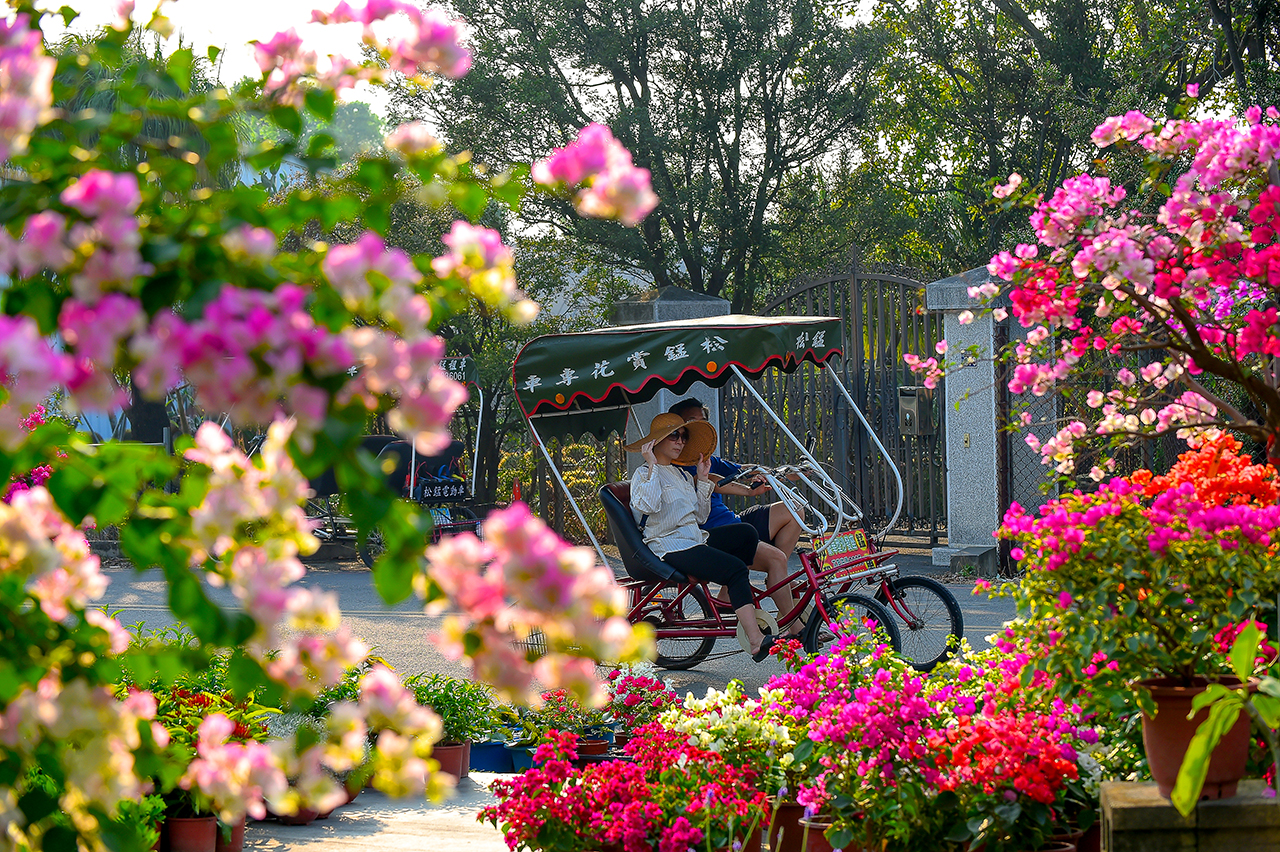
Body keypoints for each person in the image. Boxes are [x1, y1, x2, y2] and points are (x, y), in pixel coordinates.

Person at [625, 412, 777, 661]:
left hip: (694, 538)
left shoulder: (683, 475)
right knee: (736, 569)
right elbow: (648, 506)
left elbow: (700, 516)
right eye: (674, 435)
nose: (680, 441)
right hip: (668, 544)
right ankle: (755, 640)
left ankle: (733, 596)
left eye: (683, 436)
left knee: (746, 534)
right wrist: (651, 463)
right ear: (657, 442)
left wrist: (703, 479)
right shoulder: (643, 474)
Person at [668, 397, 803, 637]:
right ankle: (794, 626)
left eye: (703, 421)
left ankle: (777, 580)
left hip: (735, 523)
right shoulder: (674, 468)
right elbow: (715, 482)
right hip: (711, 535)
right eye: (691, 423)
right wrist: (746, 489)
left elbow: (740, 469)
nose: (699, 427)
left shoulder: (706, 458)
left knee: (795, 509)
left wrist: (778, 472)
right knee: (776, 559)